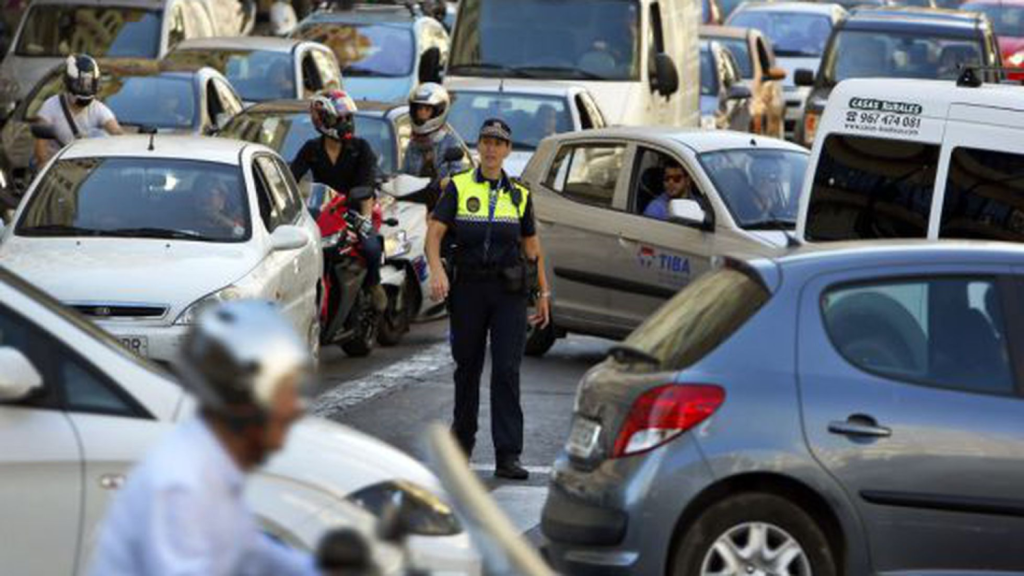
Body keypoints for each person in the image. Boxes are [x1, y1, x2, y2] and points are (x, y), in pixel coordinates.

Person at [89, 300, 318, 575]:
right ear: (243, 399)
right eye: (285, 389)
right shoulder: (180, 485)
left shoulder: (213, 466)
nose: (295, 406)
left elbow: (254, 555)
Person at [425, 118, 550, 481]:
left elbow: (532, 247)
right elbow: (434, 234)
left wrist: (543, 293)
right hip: (468, 291)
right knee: (467, 369)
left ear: (508, 150)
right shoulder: (460, 186)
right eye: (486, 141)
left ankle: (508, 455)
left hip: (508, 293)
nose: (492, 148)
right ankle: (460, 448)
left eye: (499, 143)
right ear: (478, 146)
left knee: (507, 371)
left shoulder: (520, 194)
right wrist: (437, 271)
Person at [290, 89, 386, 310]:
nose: (347, 123)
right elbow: (291, 179)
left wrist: (365, 220)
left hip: (355, 212)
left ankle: (373, 284)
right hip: (322, 213)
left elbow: (367, 187)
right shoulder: (311, 149)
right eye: (341, 118)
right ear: (324, 120)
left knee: (371, 247)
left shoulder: (361, 148)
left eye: (349, 118)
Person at [34, 53, 123, 166]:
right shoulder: (49, 107)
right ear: (67, 83)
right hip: (57, 172)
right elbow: (40, 151)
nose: (85, 90)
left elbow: (117, 134)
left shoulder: (99, 109)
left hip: (83, 173)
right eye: (80, 85)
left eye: (90, 85)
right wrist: (47, 171)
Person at [400, 82, 467, 211]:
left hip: (442, 207)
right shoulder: (412, 145)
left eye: (427, 109)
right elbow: (405, 176)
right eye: (419, 109)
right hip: (414, 206)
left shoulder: (450, 142)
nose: (422, 113)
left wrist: (445, 182)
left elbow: (459, 177)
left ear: (438, 112)